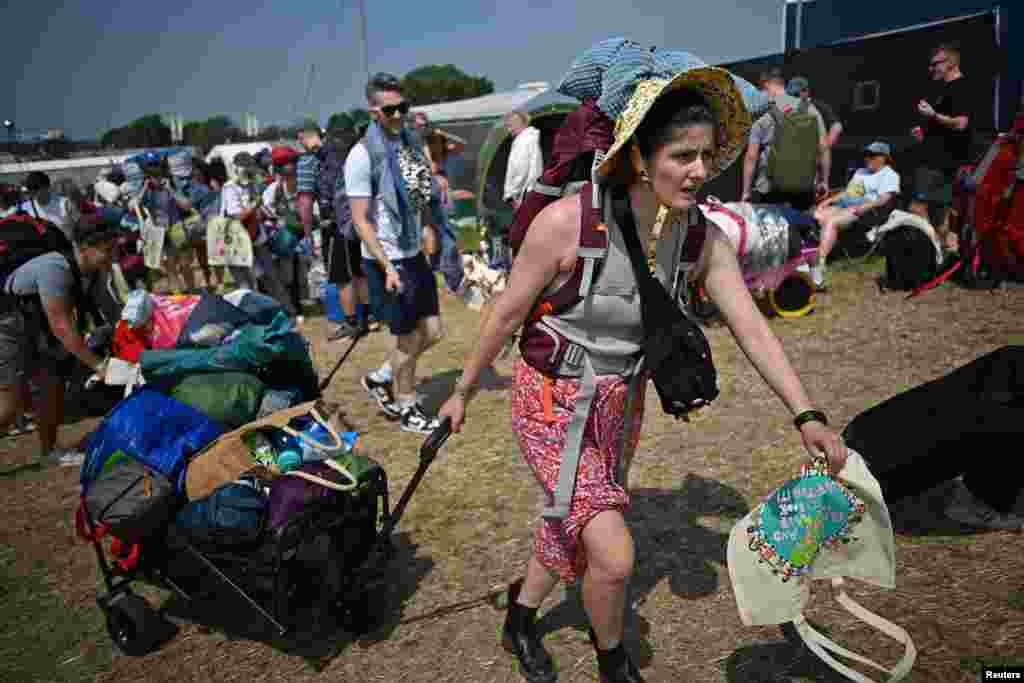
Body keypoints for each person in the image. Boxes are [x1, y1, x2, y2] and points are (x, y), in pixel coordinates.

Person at [439, 43, 846, 683]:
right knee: (614, 552)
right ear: (639, 154)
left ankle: (519, 615)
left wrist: (809, 415)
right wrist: (462, 391)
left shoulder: (699, 236)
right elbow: (506, 314)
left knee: (573, 519)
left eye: (706, 157)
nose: (697, 171)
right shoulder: (566, 223)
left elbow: (751, 328)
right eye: (682, 156)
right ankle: (614, 662)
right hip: (549, 402)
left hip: (618, 404)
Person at [346, 72, 445, 435]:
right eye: (391, 110)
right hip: (386, 258)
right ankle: (407, 406)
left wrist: (428, 226)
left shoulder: (410, 146)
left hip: (412, 251)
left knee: (432, 331)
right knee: (407, 338)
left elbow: (419, 196)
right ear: (374, 111)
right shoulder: (361, 156)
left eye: (404, 107)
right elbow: (360, 220)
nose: (399, 115)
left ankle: (382, 377)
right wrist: (387, 266)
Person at [0, 216, 117, 466]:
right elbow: (62, 326)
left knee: (51, 386)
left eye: (113, 250)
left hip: (33, 325)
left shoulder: (93, 273)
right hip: (7, 325)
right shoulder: (56, 267)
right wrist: (99, 365)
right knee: (9, 406)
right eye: (106, 251)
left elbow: (109, 313)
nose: (112, 257)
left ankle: (49, 451)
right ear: (85, 248)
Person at [298, 125, 371, 340]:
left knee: (342, 275)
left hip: (336, 223)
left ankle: (351, 322)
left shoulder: (310, 161)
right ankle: (369, 319)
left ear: (304, 137)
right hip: (358, 218)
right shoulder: (353, 152)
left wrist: (308, 232)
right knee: (359, 270)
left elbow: (305, 201)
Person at [812, 142, 900, 290]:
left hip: (866, 211)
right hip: (845, 206)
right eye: (866, 155)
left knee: (831, 222)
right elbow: (848, 192)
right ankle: (810, 256)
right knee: (817, 215)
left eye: (872, 155)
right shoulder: (861, 172)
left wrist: (867, 206)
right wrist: (828, 201)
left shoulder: (889, 175)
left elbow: (885, 199)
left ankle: (819, 264)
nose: (867, 159)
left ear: (884, 158)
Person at [742, 67, 830, 211]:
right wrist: (824, 181)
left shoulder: (763, 118)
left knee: (771, 228)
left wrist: (746, 191)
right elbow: (823, 148)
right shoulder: (810, 110)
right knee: (804, 224)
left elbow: (751, 157)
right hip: (804, 185)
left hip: (770, 187)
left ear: (766, 86)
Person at [912, 42, 974, 235]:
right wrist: (925, 136)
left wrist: (933, 115)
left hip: (939, 164)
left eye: (935, 63)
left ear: (951, 62)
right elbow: (946, 129)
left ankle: (932, 251)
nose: (931, 69)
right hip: (939, 160)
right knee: (942, 214)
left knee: (917, 208)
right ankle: (942, 254)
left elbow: (962, 123)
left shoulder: (961, 87)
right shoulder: (945, 89)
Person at [259, 145, 313, 319]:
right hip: (285, 240)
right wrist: (278, 223)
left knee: (303, 275)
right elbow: (266, 211)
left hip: (306, 236)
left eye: (291, 163)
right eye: (285, 164)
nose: (290, 168)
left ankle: (299, 304)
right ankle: (293, 308)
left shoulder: (306, 186)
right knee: (288, 276)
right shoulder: (273, 190)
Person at [217, 151, 263, 289]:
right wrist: (255, 204)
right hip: (234, 241)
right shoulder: (230, 187)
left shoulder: (251, 185)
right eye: (246, 166)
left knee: (256, 280)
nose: (249, 170)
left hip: (251, 238)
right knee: (244, 285)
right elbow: (237, 216)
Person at [17, 171, 77, 240]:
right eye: (30, 188)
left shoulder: (65, 203)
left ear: (47, 187)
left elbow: (71, 233)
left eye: (36, 187)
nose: (33, 191)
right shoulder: (24, 208)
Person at [786, 76, 843, 148]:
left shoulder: (818, 106)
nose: (794, 98)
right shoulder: (786, 108)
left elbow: (836, 125)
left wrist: (827, 144)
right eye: (791, 95)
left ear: (806, 91)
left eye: (796, 94)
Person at [503, 111, 544, 209]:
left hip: (523, 193)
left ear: (519, 123)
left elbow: (521, 169)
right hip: (530, 190)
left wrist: (512, 194)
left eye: (510, 126)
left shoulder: (523, 141)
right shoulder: (530, 138)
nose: (508, 130)